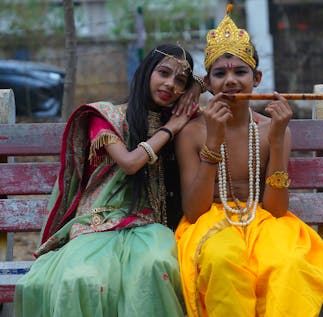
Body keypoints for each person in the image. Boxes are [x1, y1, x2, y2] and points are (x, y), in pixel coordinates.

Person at [14, 43, 203, 317]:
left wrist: (196, 88)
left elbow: (220, 81)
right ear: (146, 72)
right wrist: (171, 128)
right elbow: (129, 164)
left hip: (149, 227)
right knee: (80, 279)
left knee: (156, 265)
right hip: (97, 227)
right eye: (163, 73)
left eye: (180, 81)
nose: (170, 84)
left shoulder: (181, 118)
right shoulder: (105, 116)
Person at [174, 5, 323, 317]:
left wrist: (276, 140)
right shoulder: (192, 132)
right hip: (210, 222)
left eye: (240, 72)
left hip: (264, 220)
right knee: (222, 260)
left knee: (289, 263)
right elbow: (194, 211)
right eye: (220, 73)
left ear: (257, 78)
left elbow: (276, 209)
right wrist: (213, 141)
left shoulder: (270, 129)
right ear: (208, 82)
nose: (230, 80)